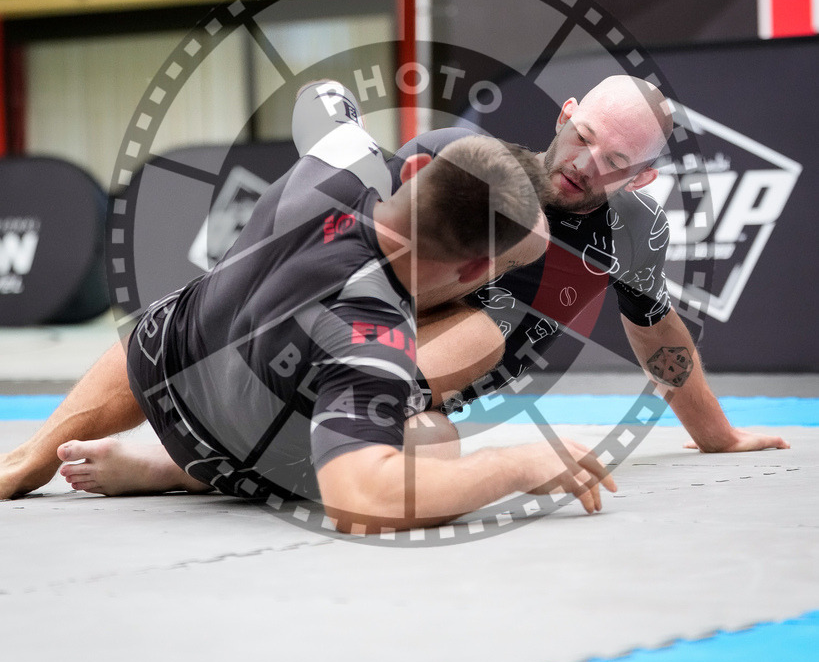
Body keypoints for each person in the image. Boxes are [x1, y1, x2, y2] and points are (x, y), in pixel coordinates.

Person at [0, 81, 616, 530]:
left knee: (188, 308)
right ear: (476, 270)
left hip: (167, 363)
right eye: (504, 266)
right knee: (434, 438)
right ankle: (173, 470)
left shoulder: (345, 158)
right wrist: (512, 465)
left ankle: (36, 452)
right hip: (241, 461)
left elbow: (320, 96)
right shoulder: (372, 336)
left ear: (419, 169)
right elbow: (359, 495)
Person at [387, 75, 789, 454]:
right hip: (351, 350)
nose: (584, 164)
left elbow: (657, 333)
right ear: (565, 116)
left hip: (407, 414)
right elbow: (348, 255)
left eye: (615, 160)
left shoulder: (632, 229)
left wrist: (718, 435)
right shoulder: (460, 162)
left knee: (431, 445)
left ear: (640, 178)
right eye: (582, 137)